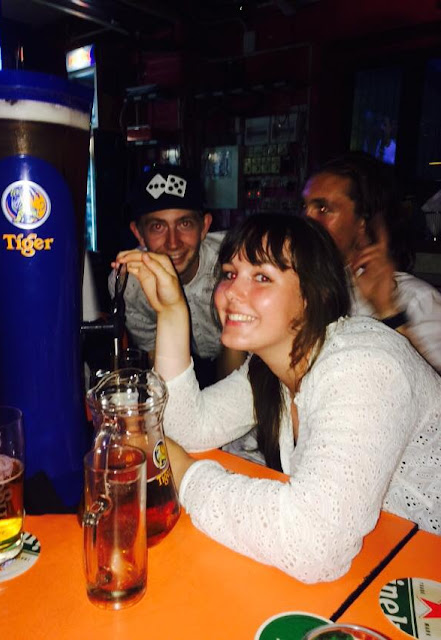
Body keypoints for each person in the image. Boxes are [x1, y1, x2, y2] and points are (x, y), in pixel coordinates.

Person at [113, 213, 441, 584]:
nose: (232, 292)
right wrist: (172, 312)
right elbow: (188, 429)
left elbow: (314, 544)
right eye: (230, 274)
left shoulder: (363, 365)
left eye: (262, 277)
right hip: (387, 563)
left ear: (313, 295)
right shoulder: (273, 364)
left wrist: (184, 471)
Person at [302, 151, 441, 373]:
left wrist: (388, 312)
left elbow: (433, 389)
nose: (307, 220)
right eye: (305, 207)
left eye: (323, 209)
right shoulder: (303, 290)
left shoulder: (416, 300)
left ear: (362, 223)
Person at [109, 165, 245, 385]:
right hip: (178, 365)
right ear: (139, 234)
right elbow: (158, 362)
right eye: (157, 227)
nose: (173, 243)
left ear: (204, 227)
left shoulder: (235, 261)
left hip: (245, 363)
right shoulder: (129, 282)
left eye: (184, 224)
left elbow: (236, 373)